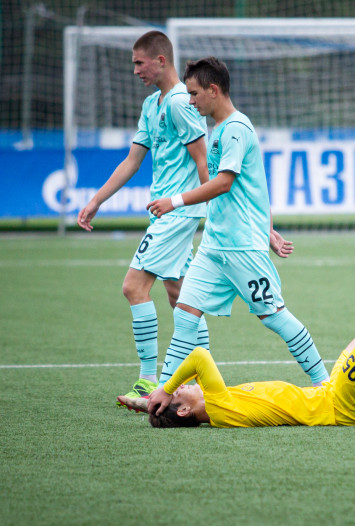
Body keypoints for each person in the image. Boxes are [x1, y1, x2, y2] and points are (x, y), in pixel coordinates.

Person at [145, 56, 329, 388]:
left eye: (194, 93)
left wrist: (174, 201)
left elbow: (226, 183)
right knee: (185, 313)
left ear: (213, 90)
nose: (190, 100)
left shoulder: (236, 129)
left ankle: (324, 383)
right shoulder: (219, 130)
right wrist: (270, 229)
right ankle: (161, 392)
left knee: (272, 316)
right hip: (215, 245)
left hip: (242, 246)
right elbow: (257, 186)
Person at [76, 30, 213, 406]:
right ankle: (204, 378)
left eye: (139, 62)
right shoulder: (153, 105)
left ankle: (147, 381)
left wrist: (213, 212)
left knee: (133, 287)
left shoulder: (182, 105)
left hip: (178, 212)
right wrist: (97, 200)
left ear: (160, 61)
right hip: (166, 214)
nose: (135, 69)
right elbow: (132, 160)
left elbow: (204, 162)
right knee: (180, 296)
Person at [117, 329, 355, 428]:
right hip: (336, 407)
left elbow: (188, 379)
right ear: (183, 412)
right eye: (181, 392)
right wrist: (164, 387)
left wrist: (148, 401)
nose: (183, 385)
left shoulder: (218, 407)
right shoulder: (219, 406)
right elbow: (199, 356)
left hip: (325, 395)